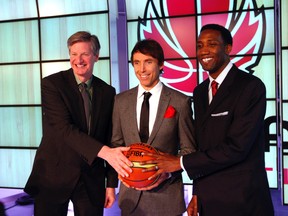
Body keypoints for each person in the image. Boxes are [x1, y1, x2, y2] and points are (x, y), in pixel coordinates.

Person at [143, 24, 274, 216]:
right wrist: (197, 193)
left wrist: (180, 162)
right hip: (208, 199)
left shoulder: (250, 87)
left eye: (212, 44)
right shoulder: (200, 91)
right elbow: (203, 146)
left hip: (243, 200)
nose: (204, 50)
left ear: (228, 48)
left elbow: (237, 147)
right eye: (199, 45)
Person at [24, 31, 132, 216]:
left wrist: (111, 185)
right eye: (73, 54)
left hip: (91, 179)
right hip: (53, 175)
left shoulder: (107, 92)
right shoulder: (51, 85)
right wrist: (105, 153)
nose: (78, 59)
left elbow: (112, 138)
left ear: (96, 56)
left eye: (85, 54)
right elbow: (63, 129)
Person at [111, 39, 196, 216]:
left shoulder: (180, 102)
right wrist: (121, 170)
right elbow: (116, 145)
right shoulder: (120, 101)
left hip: (166, 199)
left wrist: (168, 172)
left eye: (148, 62)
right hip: (130, 199)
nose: (141, 69)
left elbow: (189, 150)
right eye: (137, 63)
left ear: (161, 64)